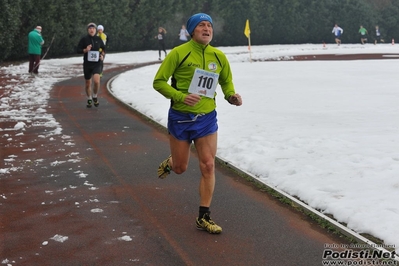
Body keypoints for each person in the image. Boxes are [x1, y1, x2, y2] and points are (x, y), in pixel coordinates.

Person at [153, 13, 242, 234]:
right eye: (201, 25)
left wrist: (231, 96)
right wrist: (181, 97)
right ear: (192, 31)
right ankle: (173, 162)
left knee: (208, 165)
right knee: (181, 168)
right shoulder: (178, 53)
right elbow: (158, 82)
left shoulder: (218, 56)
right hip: (181, 118)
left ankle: (204, 216)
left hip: (207, 119)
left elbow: (226, 81)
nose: (206, 28)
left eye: (209, 25)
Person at [76, 23, 105, 108]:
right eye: (90, 28)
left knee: (96, 81)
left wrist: (102, 55)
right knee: (88, 83)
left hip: (97, 64)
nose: (92, 30)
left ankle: (95, 96)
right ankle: (89, 98)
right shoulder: (84, 39)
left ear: (95, 30)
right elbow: (78, 50)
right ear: (88, 30)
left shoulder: (98, 39)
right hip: (87, 64)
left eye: (93, 28)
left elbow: (103, 48)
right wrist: (85, 50)